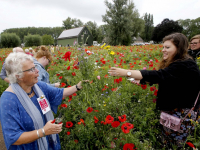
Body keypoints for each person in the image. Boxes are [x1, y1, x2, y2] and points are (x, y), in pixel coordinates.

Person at [108, 33, 200, 148]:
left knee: (176, 146)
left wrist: (126, 72)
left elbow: (159, 75)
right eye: (163, 47)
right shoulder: (179, 63)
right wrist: (142, 81)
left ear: (179, 48)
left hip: (181, 114)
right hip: (172, 112)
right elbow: (167, 79)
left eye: (167, 47)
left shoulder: (186, 65)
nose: (163, 50)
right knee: (167, 143)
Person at [0, 52, 83, 150]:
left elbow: (59, 93)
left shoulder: (38, 86)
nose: (37, 71)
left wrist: (78, 86)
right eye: (31, 69)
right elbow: (13, 137)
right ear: (18, 76)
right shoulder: (9, 100)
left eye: (35, 67)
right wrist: (43, 131)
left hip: (48, 143)